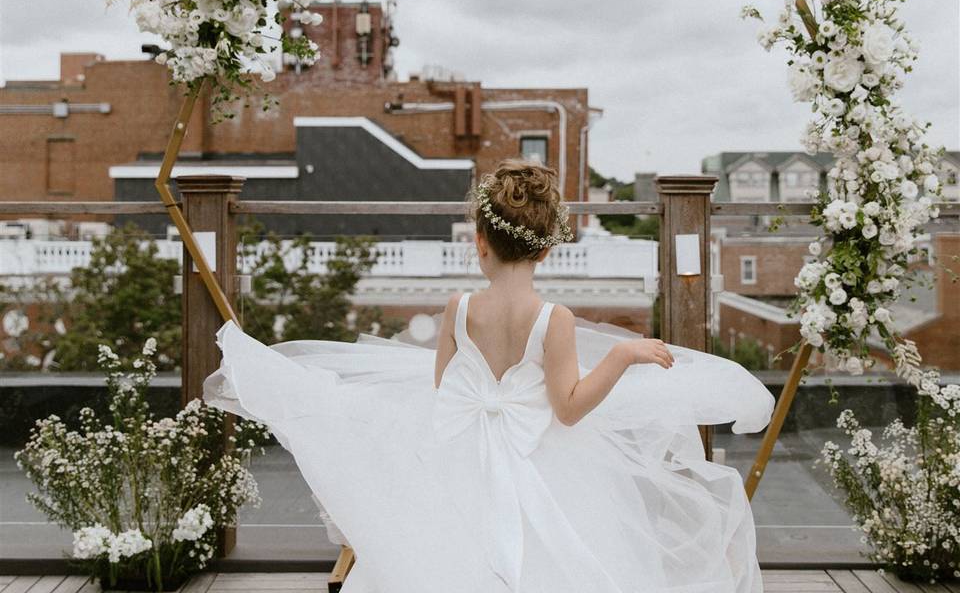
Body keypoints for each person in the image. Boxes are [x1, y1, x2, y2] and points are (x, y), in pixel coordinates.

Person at [204, 159, 774, 593]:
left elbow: (443, 391)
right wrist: (622, 356)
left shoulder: (457, 307)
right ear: (547, 250)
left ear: (480, 244)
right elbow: (570, 408)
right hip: (541, 459)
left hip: (459, 454)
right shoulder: (554, 319)